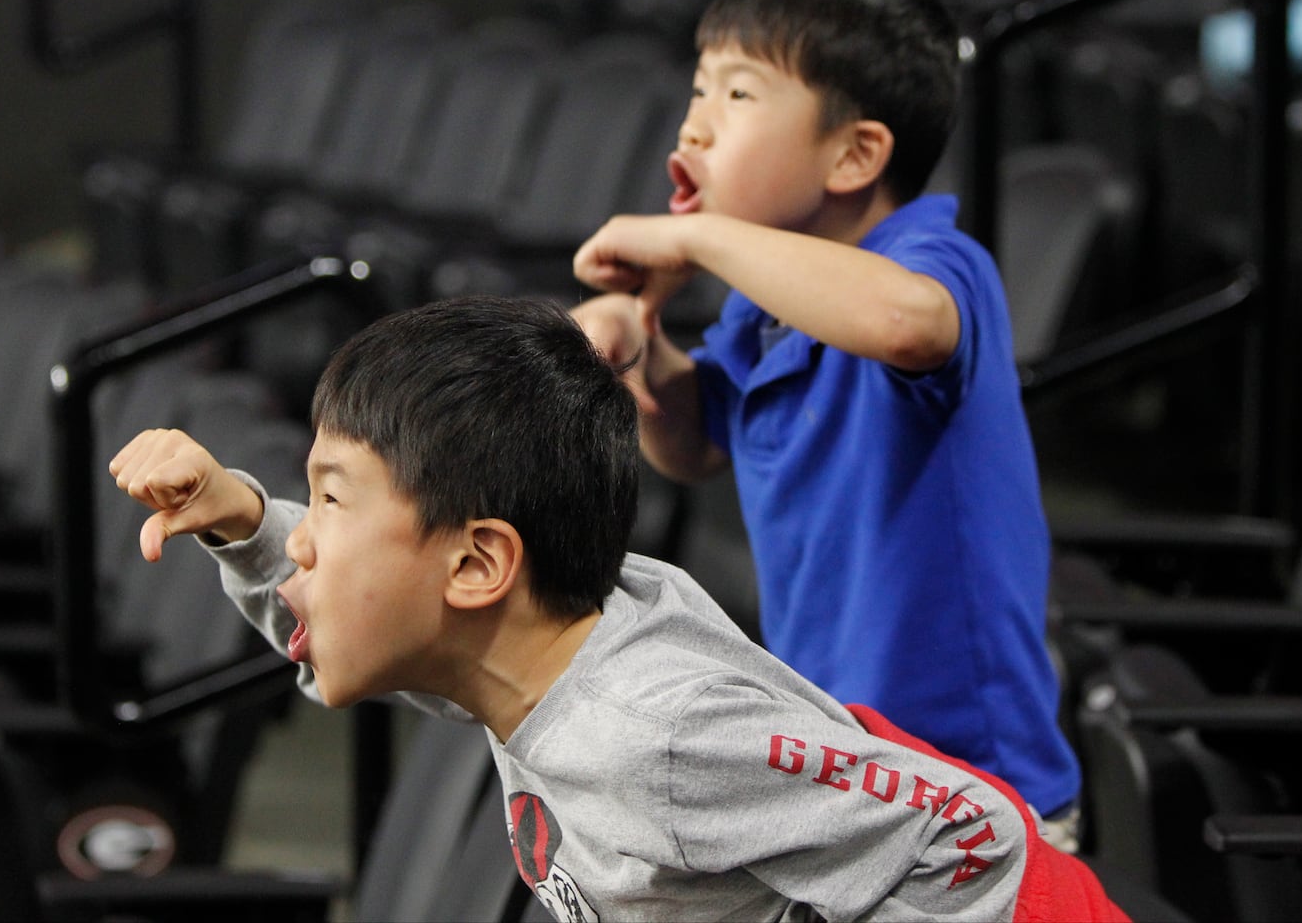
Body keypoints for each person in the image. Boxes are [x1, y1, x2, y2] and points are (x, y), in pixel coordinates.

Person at [111, 295, 1126, 922]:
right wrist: (239, 521)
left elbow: (974, 830)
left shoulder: (650, 735)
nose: (303, 539)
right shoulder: (536, 655)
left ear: (478, 565)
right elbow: (358, 612)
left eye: (328, 499)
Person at [568, 0, 1082, 843]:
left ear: (853, 155)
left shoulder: (936, 262)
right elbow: (694, 448)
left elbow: (907, 325)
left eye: (737, 96)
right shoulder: (764, 304)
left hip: (975, 795)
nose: (694, 127)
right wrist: (643, 346)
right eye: (697, 91)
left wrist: (699, 237)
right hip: (852, 769)